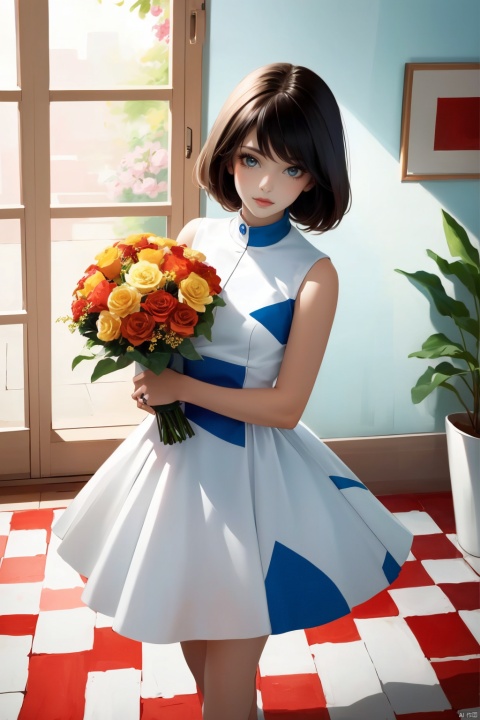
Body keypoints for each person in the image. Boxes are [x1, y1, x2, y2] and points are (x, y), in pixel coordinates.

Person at [54, 63, 413, 720]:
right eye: (251, 159)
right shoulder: (196, 235)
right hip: (174, 464)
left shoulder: (315, 275)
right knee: (195, 623)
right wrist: (147, 376)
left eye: (292, 169)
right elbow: (166, 341)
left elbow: (286, 407)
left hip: (251, 480)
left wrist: (180, 384)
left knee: (233, 648)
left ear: (317, 175)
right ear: (228, 153)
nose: (267, 184)